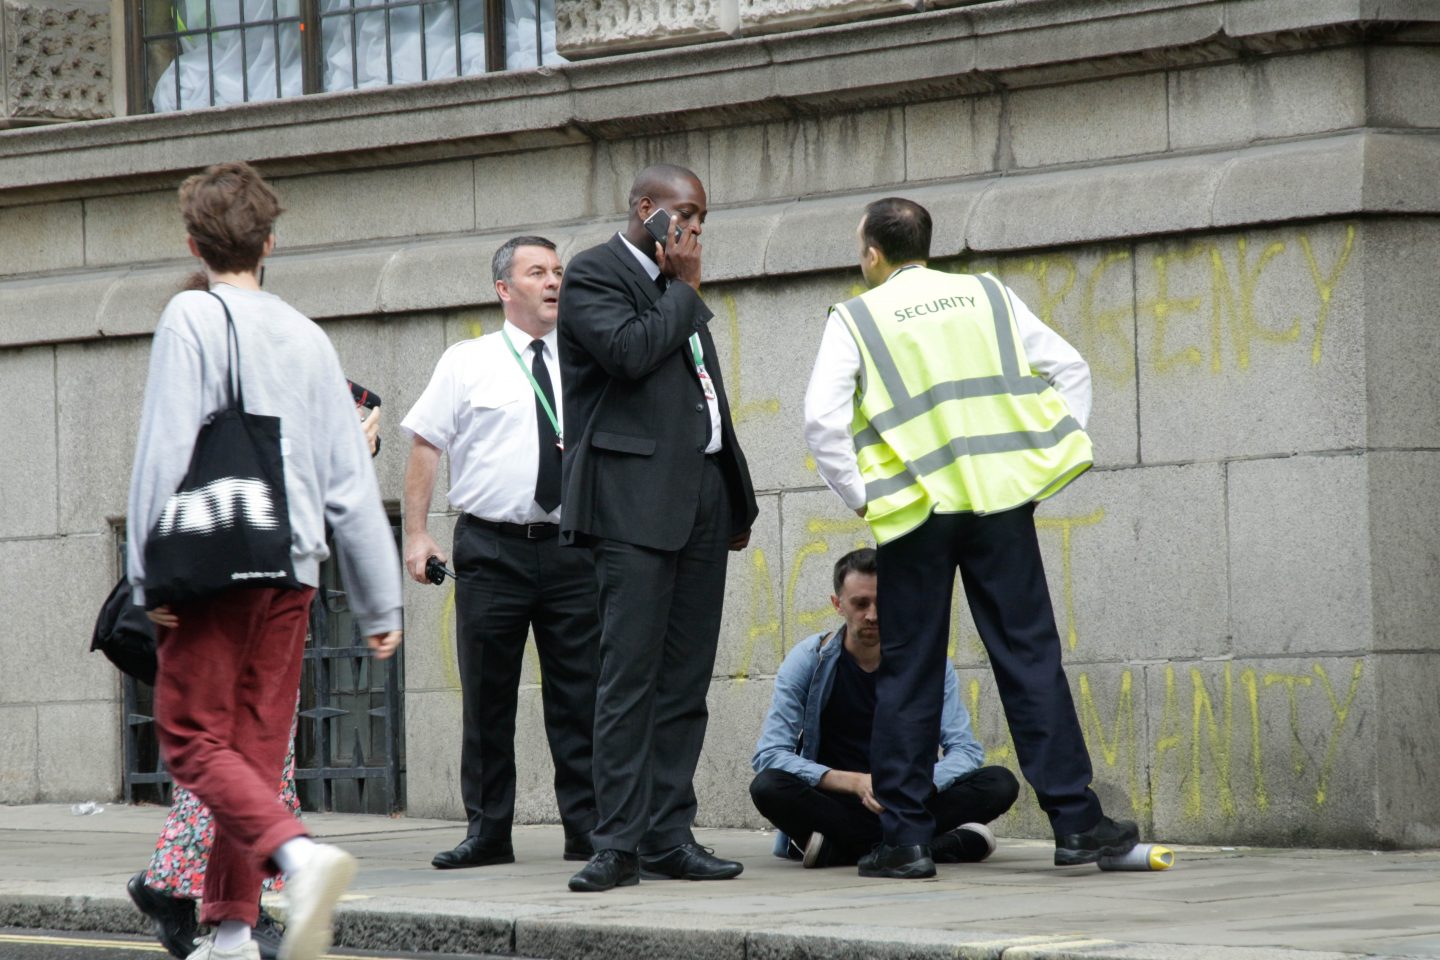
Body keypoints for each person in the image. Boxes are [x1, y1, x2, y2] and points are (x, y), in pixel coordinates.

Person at [802, 197, 1139, 879]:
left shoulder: (858, 318)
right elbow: (1070, 368)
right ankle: (1076, 824)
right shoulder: (987, 296)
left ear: (873, 253)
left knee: (910, 669)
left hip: (916, 512)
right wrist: (1033, 468)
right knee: (1030, 658)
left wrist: (870, 500)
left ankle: (906, 840)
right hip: (999, 504)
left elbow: (821, 422)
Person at [127, 161, 403, 960]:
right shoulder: (308, 335)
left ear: (191, 241)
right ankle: (235, 929)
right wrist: (381, 602)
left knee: (190, 737)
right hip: (295, 571)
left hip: (215, 563)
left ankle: (298, 854)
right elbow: (350, 480)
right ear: (270, 241)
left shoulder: (190, 316)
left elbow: (164, 451)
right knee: (250, 749)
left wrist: (148, 575)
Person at [556, 163, 759, 892]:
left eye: (704, 216)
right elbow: (630, 354)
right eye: (687, 213)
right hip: (633, 504)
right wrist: (685, 287)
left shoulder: (679, 289)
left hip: (699, 498)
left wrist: (731, 497)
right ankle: (616, 843)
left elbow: (703, 393)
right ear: (647, 209)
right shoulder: (594, 274)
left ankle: (670, 834)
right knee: (628, 680)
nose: (697, 227)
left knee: (683, 682)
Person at [400, 235, 600, 869]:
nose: (552, 282)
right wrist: (416, 532)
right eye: (536, 272)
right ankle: (488, 832)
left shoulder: (589, 358)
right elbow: (426, 447)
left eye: (558, 272)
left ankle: (589, 830)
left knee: (582, 696)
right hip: (492, 548)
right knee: (488, 698)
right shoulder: (468, 361)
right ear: (504, 289)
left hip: (574, 548)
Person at [750, 548, 1019, 869]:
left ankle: (847, 850)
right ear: (838, 605)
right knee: (768, 786)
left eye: (883, 601)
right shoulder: (809, 659)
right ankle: (929, 844)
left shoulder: (927, 663)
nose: (873, 615)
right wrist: (856, 783)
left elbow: (964, 750)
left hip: (910, 800)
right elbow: (770, 754)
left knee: (1000, 782)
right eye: (860, 604)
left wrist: (915, 785)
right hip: (837, 802)